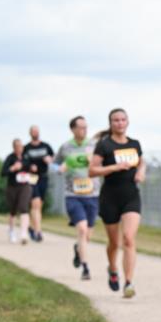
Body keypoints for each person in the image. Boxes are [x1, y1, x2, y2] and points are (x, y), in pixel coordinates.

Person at [89, 108, 144, 298]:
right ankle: (112, 269)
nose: (120, 123)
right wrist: (114, 167)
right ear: (110, 123)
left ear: (127, 122)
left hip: (131, 195)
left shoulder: (135, 144)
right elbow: (92, 171)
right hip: (110, 197)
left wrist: (141, 171)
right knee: (115, 242)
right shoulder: (104, 146)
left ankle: (128, 282)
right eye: (116, 120)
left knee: (129, 238)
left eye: (123, 120)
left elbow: (142, 161)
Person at [56, 115, 101, 281]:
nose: (84, 130)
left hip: (93, 194)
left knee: (87, 235)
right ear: (73, 129)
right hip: (73, 194)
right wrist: (60, 168)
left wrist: (95, 164)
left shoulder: (94, 145)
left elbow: (103, 163)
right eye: (81, 127)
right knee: (81, 229)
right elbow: (54, 164)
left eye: (86, 127)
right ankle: (85, 268)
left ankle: (78, 249)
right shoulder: (65, 147)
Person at [24, 125, 55, 242]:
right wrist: (29, 166)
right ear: (30, 133)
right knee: (35, 203)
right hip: (32, 177)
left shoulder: (46, 146)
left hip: (43, 177)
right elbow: (22, 162)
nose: (35, 133)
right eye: (33, 131)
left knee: (39, 206)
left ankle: (32, 227)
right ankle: (38, 232)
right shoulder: (26, 148)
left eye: (37, 131)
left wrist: (50, 160)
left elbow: (54, 158)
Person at [0, 139, 33, 244]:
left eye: (21, 146)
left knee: (24, 208)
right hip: (12, 187)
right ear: (14, 147)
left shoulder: (26, 157)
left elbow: (31, 167)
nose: (19, 148)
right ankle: (11, 230)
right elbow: (3, 173)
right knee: (13, 211)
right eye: (17, 146)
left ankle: (24, 234)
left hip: (25, 186)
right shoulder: (10, 158)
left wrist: (32, 168)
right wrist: (12, 168)